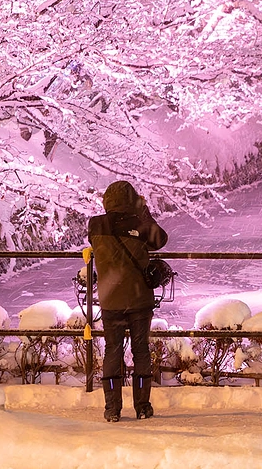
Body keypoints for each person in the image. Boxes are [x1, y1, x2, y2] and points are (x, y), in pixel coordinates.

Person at [87, 180, 168, 422]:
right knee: (140, 350)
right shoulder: (139, 225)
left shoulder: (96, 224)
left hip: (110, 300)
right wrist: (143, 212)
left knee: (112, 351)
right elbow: (160, 240)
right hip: (139, 299)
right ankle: (142, 406)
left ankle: (112, 408)